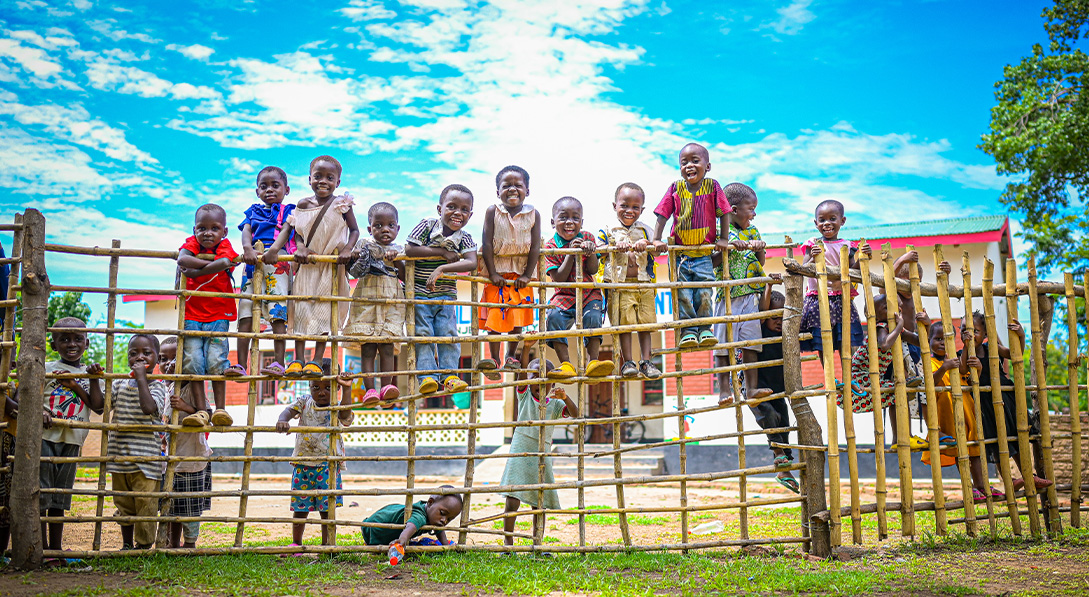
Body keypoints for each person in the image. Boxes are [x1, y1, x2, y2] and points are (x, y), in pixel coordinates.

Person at [265, 156, 359, 377]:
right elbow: (296, 230)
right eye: (318, 176)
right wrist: (300, 248)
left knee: (323, 313)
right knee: (301, 311)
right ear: (309, 179)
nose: (323, 181)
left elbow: (354, 230)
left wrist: (347, 249)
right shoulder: (302, 205)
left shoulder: (342, 205)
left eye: (329, 177)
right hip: (307, 267)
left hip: (330, 266)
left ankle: (316, 360)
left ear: (338, 181)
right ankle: (297, 360)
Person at [29, 317, 104, 555]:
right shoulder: (46, 368)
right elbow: (29, 398)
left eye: (77, 339)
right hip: (45, 438)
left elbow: (98, 406)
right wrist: (40, 411)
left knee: (60, 498)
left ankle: (56, 550)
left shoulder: (90, 372)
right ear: (53, 345)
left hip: (72, 441)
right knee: (41, 495)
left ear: (87, 343)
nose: (71, 344)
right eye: (64, 339)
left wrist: (81, 383)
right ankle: (41, 550)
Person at [959, 312, 1052, 492]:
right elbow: (963, 370)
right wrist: (966, 349)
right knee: (998, 442)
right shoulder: (963, 354)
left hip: (1006, 399)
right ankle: (1009, 480)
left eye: (975, 331)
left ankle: (1029, 476)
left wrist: (1021, 336)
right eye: (964, 330)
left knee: (1017, 438)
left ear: (985, 334)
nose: (969, 334)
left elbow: (1015, 355)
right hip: (987, 405)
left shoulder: (991, 348)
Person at [653, 143, 731, 349]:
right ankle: (688, 331)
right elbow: (662, 213)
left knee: (705, 292)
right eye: (684, 162)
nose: (689, 166)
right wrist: (656, 238)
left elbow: (724, 212)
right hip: (681, 256)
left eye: (695, 161)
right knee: (683, 294)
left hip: (704, 254)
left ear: (708, 166)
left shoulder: (713, 186)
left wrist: (724, 238)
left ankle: (705, 328)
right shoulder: (675, 188)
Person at [404, 184, 478, 395]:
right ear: (439, 209)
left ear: (470, 215)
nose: (458, 213)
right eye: (452, 207)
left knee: (447, 334)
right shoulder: (426, 226)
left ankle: (449, 376)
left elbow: (471, 262)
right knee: (423, 334)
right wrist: (441, 253)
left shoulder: (465, 238)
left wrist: (442, 268)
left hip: (446, 295)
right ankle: (427, 377)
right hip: (419, 294)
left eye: (465, 210)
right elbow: (409, 249)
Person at [498, 359, 579, 546]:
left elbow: (575, 413)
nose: (540, 381)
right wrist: (526, 348)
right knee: (513, 496)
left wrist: (565, 397)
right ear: (528, 378)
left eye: (545, 378)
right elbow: (520, 374)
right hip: (520, 447)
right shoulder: (524, 395)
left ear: (553, 384)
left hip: (542, 452)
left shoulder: (555, 405)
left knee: (539, 500)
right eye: (534, 376)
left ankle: (537, 542)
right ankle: (508, 540)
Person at [275, 358, 353, 548]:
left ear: (337, 387)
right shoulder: (304, 403)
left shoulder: (337, 407)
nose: (322, 392)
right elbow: (287, 411)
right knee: (300, 508)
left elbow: (345, 417)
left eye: (328, 387)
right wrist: (282, 420)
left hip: (328, 465)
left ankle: (326, 544)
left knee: (326, 510)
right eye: (315, 387)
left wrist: (348, 389)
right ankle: (296, 542)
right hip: (303, 463)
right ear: (309, 387)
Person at [175, 203, 238, 427]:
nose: (208, 233)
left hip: (218, 314)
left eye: (214, 228)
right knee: (193, 361)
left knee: (216, 360)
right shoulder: (191, 244)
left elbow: (224, 262)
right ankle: (202, 411)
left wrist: (195, 271)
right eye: (202, 228)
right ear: (194, 230)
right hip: (191, 314)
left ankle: (220, 409)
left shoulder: (226, 245)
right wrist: (211, 266)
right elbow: (182, 260)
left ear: (224, 231)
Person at [920, 320, 995, 501]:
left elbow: (963, 370)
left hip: (967, 411)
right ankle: (969, 487)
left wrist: (967, 345)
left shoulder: (952, 359)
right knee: (959, 452)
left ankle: (981, 485)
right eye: (937, 339)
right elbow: (930, 382)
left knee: (974, 449)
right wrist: (945, 367)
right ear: (928, 340)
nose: (942, 343)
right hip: (949, 415)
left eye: (947, 340)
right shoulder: (928, 362)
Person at [477, 165, 541, 378]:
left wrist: (527, 275)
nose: (512, 189)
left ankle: (511, 356)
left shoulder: (533, 214)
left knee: (517, 317)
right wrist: (493, 274)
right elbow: (486, 244)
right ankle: (494, 359)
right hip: (497, 275)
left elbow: (535, 248)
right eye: (506, 186)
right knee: (495, 316)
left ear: (527, 190)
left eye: (518, 185)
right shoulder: (492, 212)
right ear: (498, 192)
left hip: (521, 274)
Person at [107, 334, 169, 550]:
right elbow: (100, 406)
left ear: (157, 360)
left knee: (145, 504)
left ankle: (143, 546)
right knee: (123, 503)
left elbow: (149, 408)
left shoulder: (158, 386)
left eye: (146, 353)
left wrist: (142, 377)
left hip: (146, 461)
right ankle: (126, 544)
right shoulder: (119, 384)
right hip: (119, 456)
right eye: (134, 354)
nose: (140, 358)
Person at [234, 166, 296, 378]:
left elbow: (286, 231)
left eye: (275, 185)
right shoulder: (252, 211)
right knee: (246, 313)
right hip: (252, 265)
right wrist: (247, 249)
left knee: (278, 314)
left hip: (277, 264)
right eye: (264, 186)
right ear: (257, 191)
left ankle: (279, 362)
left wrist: (275, 250)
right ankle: (241, 364)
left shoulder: (289, 210)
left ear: (286, 189)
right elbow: (246, 231)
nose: (269, 190)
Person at [597, 182, 663, 379]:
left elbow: (659, 244)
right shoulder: (608, 229)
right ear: (614, 206)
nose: (629, 210)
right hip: (620, 286)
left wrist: (648, 243)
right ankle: (628, 361)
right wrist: (614, 245)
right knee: (624, 324)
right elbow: (598, 247)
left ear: (642, 210)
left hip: (643, 283)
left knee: (646, 324)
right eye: (624, 205)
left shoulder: (646, 230)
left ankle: (646, 361)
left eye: (635, 207)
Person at [839, 294, 923, 448]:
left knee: (896, 396)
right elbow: (884, 345)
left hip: (871, 377)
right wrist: (899, 327)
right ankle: (903, 437)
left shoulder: (897, 330)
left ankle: (900, 439)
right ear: (876, 316)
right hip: (861, 377)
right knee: (897, 394)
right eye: (886, 307)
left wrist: (925, 325)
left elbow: (920, 342)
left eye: (896, 306)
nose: (893, 309)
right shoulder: (880, 328)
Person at [543, 197, 613, 380]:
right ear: (553, 222)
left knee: (593, 316)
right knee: (553, 318)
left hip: (588, 292)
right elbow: (558, 279)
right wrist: (570, 254)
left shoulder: (588, 237)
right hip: (564, 294)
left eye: (575, 218)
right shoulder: (549, 246)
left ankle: (593, 361)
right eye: (563, 217)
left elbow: (593, 269)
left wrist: (589, 252)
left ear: (581, 222)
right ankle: (566, 364)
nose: (569, 222)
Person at [713, 182, 771, 404]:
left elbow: (761, 261)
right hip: (727, 295)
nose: (754, 214)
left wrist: (758, 248)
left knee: (751, 344)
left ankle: (751, 389)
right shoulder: (721, 231)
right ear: (734, 210)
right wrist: (727, 246)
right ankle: (724, 391)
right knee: (723, 345)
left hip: (750, 296)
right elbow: (712, 261)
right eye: (751, 209)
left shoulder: (753, 231)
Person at [345, 202, 406, 406]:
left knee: (387, 347)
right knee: (368, 348)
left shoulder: (400, 249)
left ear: (398, 228)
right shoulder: (364, 244)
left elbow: (405, 275)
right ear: (370, 228)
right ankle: (370, 389)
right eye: (378, 225)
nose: (385, 229)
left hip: (391, 302)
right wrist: (355, 256)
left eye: (390, 225)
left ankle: (387, 387)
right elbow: (352, 268)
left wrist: (397, 259)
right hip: (367, 300)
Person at [798, 200, 870, 363]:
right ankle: (830, 378)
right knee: (824, 342)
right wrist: (813, 258)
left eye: (832, 218)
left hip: (841, 299)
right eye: (822, 220)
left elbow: (854, 272)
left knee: (845, 340)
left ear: (842, 221)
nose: (827, 223)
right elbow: (803, 269)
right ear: (816, 223)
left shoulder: (847, 246)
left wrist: (863, 257)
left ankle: (848, 377)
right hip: (818, 300)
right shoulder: (813, 244)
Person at [745, 283, 799, 493]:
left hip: (776, 388)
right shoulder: (757, 332)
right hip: (756, 388)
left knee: (783, 421)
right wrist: (768, 287)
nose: (778, 321)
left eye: (781, 316)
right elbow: (762, 311)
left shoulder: (786, 336)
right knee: (767, 414)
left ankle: (784, 468)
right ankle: (778, 456)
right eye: (773, 316)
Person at [159, 337, 213, 548]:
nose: (169, 364)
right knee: (171, 505)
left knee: (190, 507)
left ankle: (189, 544)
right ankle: (173, 543)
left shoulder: (192, 386)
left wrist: (184, 407)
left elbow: (206, 414)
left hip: (192, 457)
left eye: (175, 358)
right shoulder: (163, 388)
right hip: (169, 460)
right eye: (164, 359)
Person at [361, 487, 463, 549]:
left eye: (449, 519)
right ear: (430, 503)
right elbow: (411, 526)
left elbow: (439, 531)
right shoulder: (420, 515)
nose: (444, 520)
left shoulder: (432, 515)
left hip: (378, 520)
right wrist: (403, 540)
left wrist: (446, 545)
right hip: (373, 529)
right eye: (442, 513)